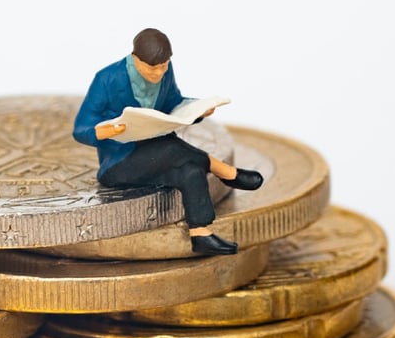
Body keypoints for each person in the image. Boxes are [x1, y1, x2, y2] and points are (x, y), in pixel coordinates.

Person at [73, 28, 263, 256]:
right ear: (135, 59)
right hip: (120, 163)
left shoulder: (165, 70)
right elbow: (81, 127)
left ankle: (200, 233)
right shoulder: (107, 78)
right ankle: (227, 173)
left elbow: (173, 102)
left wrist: (197, 110)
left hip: (157, 154)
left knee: (191, 170)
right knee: (171, 148)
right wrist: (103, 131)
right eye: (152, 68)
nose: (159, 73)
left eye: (164, 66)